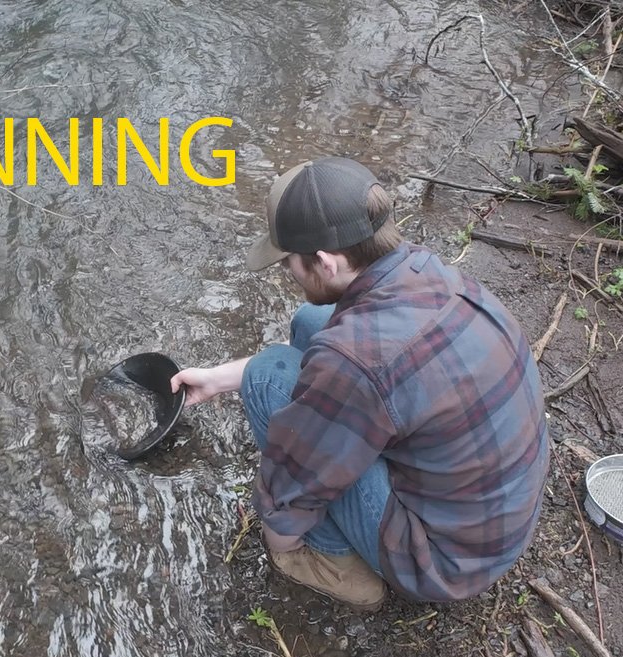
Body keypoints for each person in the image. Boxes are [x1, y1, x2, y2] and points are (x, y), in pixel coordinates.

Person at [171, 157, 549, 610]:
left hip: (442, 563)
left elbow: (295, 478)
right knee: (312, 320)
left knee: (268, 380)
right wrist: (216, 380)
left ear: (326, 262)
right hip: (496, 523)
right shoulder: (427, 272)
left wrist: (279, 539)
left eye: (289, 261)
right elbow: (358, 366)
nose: (287, 271)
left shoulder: (354, 361)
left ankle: (339, 568)